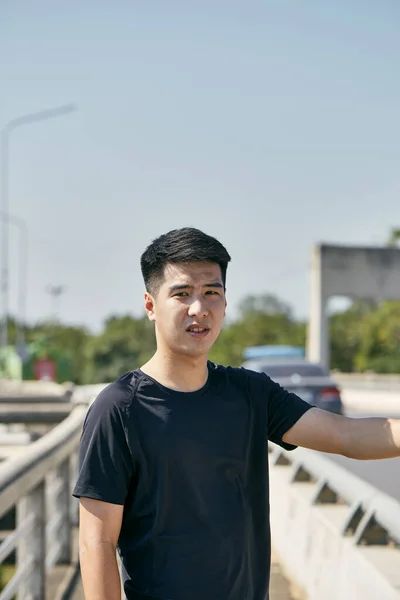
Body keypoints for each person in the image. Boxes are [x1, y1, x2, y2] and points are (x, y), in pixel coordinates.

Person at [73, 227, 400, 600]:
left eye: (212, 293)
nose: (199, 308)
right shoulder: (118, 409)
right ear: (150, 306)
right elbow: (96, 542)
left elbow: (347, 436)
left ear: (225, 305)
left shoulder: (250, 393)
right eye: (182, 294)